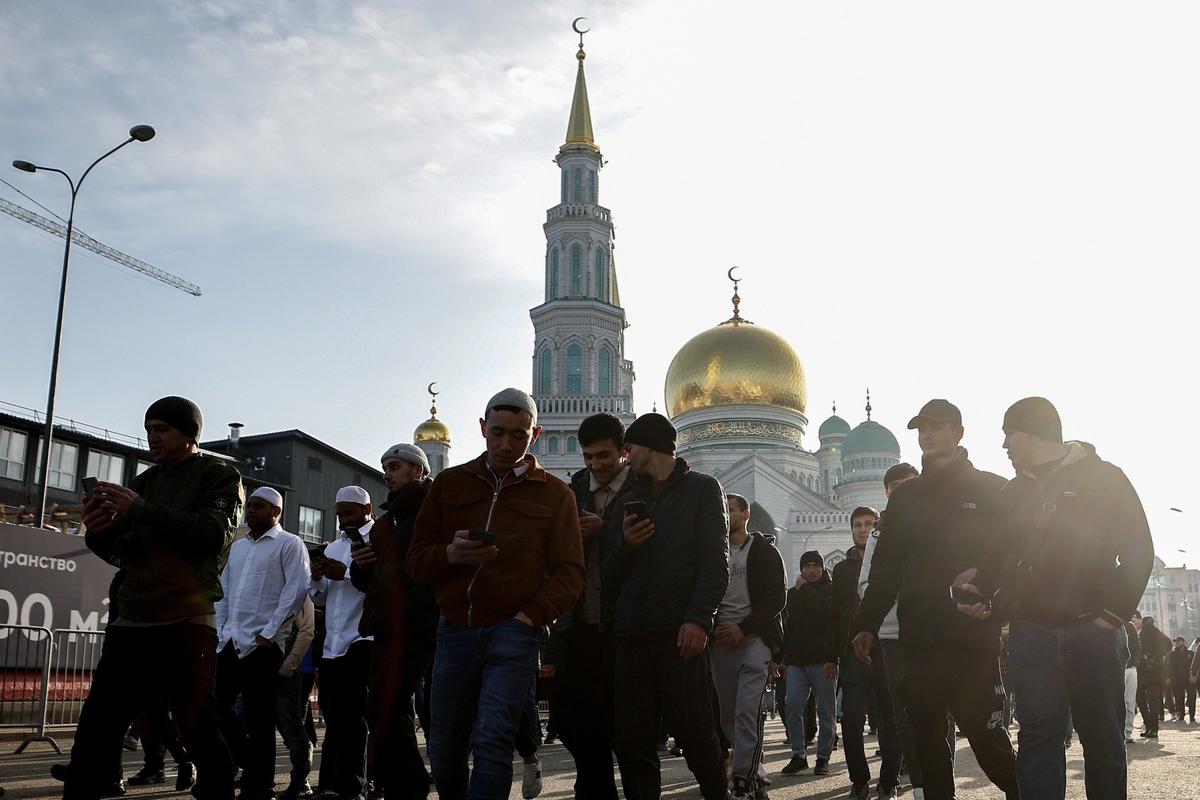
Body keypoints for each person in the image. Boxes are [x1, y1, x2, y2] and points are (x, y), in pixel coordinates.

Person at [956, 396, 1155, 800]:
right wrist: (977, 587)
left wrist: (1109, 617)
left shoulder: (1105, 478)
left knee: (1102, 741)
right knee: (1038, 740)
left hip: (1093, 633)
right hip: (1032, 635)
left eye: (1009, 435)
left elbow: (1138, 552)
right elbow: (996, 558)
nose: (1005, 446)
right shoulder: (1012, 494)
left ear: (1031, 435)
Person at [406, 388, 584, 798]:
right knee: (446, 746)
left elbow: (570, 572)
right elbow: (416, 560)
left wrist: (530, 617)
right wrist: (449, 554)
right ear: (483, 428)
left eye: (518, 436)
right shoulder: (450, 484)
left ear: (534, 435)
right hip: (455, 629)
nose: (506, 444)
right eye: (498, 433)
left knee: (492, 740)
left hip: (513, 632)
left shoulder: (556, 495)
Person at [69, 396, 240, 800]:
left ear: (189, 434)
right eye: (148, 430)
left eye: (162, 429)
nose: (152, 438)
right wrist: (98, 531)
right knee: (99, 720)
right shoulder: (146, 482)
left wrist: (141, 510)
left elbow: (212, 534)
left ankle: (218, 788)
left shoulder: (218, 475)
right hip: (134, 617)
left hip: (186, 617)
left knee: (195, 721)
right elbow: (124, 551)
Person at [853, 399, 1018, 800]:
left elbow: (1014, 554)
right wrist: (864, 623)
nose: (927, 434)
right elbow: (887, 568)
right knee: (926, 741)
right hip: (920, 638)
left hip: (971, 636)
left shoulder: (993, 489)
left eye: (937, 427)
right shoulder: (907, 498)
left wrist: (989, 586)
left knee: (985, 736)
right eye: (921, 428)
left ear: (959, 432)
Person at [600, 412, 730, 800]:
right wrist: (626, 545)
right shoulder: (626, 498)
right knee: (633, 742)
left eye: (630, 449)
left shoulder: (703, 490)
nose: (625, 458)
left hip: (680, 635)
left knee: (697, 735)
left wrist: (698, 619)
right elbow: (608, 571)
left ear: (651, 447)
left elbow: (715, 563)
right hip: (633, 636)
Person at [349, 443, 437, 800]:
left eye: (396, 466)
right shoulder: (385, 523)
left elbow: (431, 567)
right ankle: (401, 782)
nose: (387, 473)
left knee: (389, 703)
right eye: (385, 466)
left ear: (418, 470)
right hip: (385, 624)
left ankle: (411, 783)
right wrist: (361, 564)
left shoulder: (431, 512)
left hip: (416, 624)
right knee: (383, 706)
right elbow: (364, 582)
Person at [555, 412, 636, 800]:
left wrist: (605, 532)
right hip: (582, 624)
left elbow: (657, 556)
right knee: (575, 722)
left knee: (626, 726)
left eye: (604, 456)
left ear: (624, 452)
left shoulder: (643, 490)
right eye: (589, 457)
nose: (596, 465)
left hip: (625, 627)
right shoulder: (573, 492)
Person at [214, 486, 310, 800]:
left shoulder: (289, 544)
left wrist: (270, 633)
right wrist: (222, 629)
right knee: (214, 707)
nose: (250, 511)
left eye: (258, 506)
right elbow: (224, 592)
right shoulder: (238, 547)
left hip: (263, 645)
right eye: (249, 506)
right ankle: (246, 761)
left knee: (259, 718)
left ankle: (259, 786)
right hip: (231, 640)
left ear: (276, 512)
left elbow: (295, 591)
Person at [858, 462, 938, 800]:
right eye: (897, 488)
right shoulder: (879, 534)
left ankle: (938, 786)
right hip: (893, 636)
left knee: (937, 712)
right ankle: (921, 788)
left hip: (936, 632)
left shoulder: (940, 524)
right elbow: (866, 585)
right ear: (888, 494)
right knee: (906, 715)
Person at [710, 494, 786, 800]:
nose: (727, 515)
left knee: (747, 712)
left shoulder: (764, 551)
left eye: (731, 510)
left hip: (753, 641)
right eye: (722, 511)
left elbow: (776, 598)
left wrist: (744, 629)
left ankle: (741, 780)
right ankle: (755, 769)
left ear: (746, 513)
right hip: (719, 643)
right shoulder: (712, 553)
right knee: (727, 715)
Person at [829, 506, 901, 800]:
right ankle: (859, 781)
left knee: (889, 719)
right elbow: (836, 614)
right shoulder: (842, 569)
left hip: (886, 649)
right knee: (851, 718)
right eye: (857, 524)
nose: (862, 529)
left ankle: (888, 782)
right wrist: (833, 655)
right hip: (853, 654)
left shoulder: (891, 562)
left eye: (868, 524)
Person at [310, 486, 376, 800]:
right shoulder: (334, 546)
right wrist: (317, 578)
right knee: (333, 715)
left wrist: (347, 573)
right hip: (333, 642)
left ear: (367, 508)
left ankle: (354, 786)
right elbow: (321, 598)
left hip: (363, 637)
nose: (343, 519)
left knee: (354, 717)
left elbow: (381, 584)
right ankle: (329, 784)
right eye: (339, 514)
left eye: (349, 512)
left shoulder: (378, 538)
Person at [779, 551, 836, 777]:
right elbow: (787, 627)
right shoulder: (792, 594)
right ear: (801, 569)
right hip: (798, 663)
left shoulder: (831, 591)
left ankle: (823, 757)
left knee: (826, 712)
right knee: (792, 704)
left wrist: (806, 589)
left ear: (823, 568)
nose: (811, 571)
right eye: (807, 566)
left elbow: (827, 614)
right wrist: (780, 658)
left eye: (816, 566)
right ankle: (798, 755)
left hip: (824, 663)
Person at [276, 596, 316, 800]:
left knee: (293, 724)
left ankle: (300, 778)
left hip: (294, 669)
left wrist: (288, 665)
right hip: (265, 666)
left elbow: (307, 630)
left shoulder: (298, 590)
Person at [1135, 615, 1170, 737]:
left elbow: (1168, 644)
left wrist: (1154, 656)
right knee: (1149, 701)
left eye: (1134, 621)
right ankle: (1152, 728)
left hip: (1148, 672)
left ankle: (1151, 727)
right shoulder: (1146, 631)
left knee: (1146, 700)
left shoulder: (1149, 631)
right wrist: (1157, 655)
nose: (1134, 624)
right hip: (1150, 672)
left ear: (1140, 620)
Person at [1121, 613, 1142, 744]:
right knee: (1118, 701)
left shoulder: (1129, 626)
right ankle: (1120, 731)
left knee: (1129, 702)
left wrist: (1134, 663)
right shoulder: (1111, 625)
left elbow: (1137, 646)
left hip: (1129, 669)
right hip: (1117, 669)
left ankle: (1127, 731)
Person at [1166, 637, 1196, 723]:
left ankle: (1192, 716)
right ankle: (1181, 714)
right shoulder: (1172, 654)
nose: (1177, 643)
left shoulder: (1190, 653)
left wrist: (1194, 675)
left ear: (1183, 642)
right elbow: (1168, 667)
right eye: (1176, 642)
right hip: (1177, 679)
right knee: (1179, 698)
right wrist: (1168, 677)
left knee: (1192, 697)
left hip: (1189, 678)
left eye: (1179, 641)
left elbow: (1195, 666)